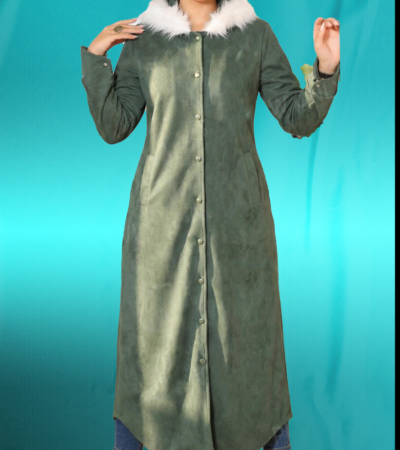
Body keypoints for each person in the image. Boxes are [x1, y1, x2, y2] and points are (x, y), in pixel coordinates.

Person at [80, 1, 340, 450]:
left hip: (239, 232)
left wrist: (326, 68)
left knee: (247, 352)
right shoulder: (145, 39)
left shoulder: (255, 36)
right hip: (161, 230)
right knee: (155, 356)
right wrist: (98, 56)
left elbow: (296, 116)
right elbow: (114, 124)